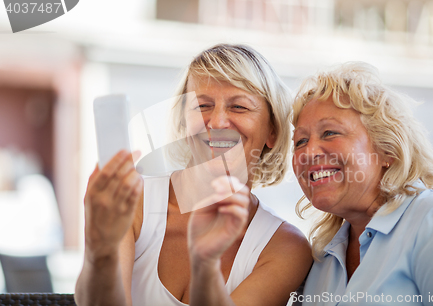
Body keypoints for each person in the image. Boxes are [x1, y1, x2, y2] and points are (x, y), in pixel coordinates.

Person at [75, 44, 312, 306]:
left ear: (273, 131)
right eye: (202, 105)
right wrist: (101, 249)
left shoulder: (284, 246)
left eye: (239, 107)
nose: (218, 123)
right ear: (184, 123)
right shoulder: (133, 203)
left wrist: (204, 266)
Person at [290, 62, 433, 305]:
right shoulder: (320, 259)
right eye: (300, 141)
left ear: (387, 150)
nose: (308, 152)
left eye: (329, 133)